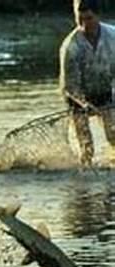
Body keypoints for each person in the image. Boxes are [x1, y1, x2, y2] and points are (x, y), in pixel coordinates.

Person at [60, 0, 115, 165]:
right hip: (77, 97)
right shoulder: (71, 46)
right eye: (80, 20)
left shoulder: (112, 37)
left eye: (89, 18)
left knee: (113, 135)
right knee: (86, 145)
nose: (85, 24)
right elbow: (70, 85)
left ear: (98, 16)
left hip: (104, 89)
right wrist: (84, 104)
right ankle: (85, 172)